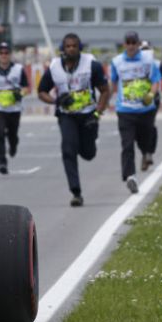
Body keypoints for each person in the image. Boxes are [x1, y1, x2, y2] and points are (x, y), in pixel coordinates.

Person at [38, 33, 110, 207]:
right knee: (68, 149)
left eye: (74, 46)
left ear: (80, 48)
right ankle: (76, 192)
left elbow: (105, 91)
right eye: (68, 46)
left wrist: (97, 113)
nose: (71, 49)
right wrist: (56, 100)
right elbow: (41, 92)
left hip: (88, 115)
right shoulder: (54, 67)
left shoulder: (92, 65)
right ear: (63, 49)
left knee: (88, 154)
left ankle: (87, 142)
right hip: (66, 115)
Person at [110, 31, 162, 193]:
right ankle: (130, 176)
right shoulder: (116, 62)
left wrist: (151, 95)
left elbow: (156, 81)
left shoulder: (148, 60)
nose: (131, 46)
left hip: (146, 109)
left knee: (144, 139)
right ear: (124, 44)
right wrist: (107, 103)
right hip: (125, 110)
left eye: (134, 43)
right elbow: (113, 83)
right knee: (127, 144)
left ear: (139, 44)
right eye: (128, 42)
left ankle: (147, 153)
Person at [0, 42, 30, 175]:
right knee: (0, 133)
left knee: (12, 135)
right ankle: (2, 162)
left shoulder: (18, 69)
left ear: (10, 54)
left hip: (14, 108)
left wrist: (20, 94)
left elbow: (27, 88)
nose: (4, 55)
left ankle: (13, 145)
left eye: (6, 53)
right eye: (1, 53)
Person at [139, 40, 162, 171]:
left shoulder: (157, 64)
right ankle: (145, 153)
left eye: (147, 50)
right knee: (139, 129)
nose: (145, 52)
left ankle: (148, 153)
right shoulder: (134, 64)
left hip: (153, 99)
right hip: (136, 101)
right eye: (143, 50)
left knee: (149, 125)